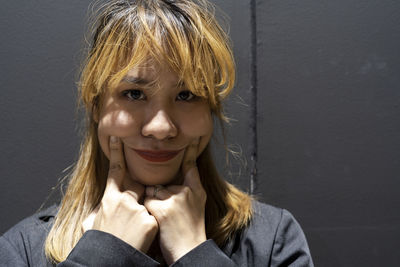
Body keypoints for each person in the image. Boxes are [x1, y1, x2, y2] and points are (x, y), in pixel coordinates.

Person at [0, 0, 314, 266]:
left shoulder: (272, 240)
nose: (161, 128)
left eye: (187, 95)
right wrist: (103, 252)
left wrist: (196, 253)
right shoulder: (23, 251)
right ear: (96, 105)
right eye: (134, 94)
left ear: (211, 109)